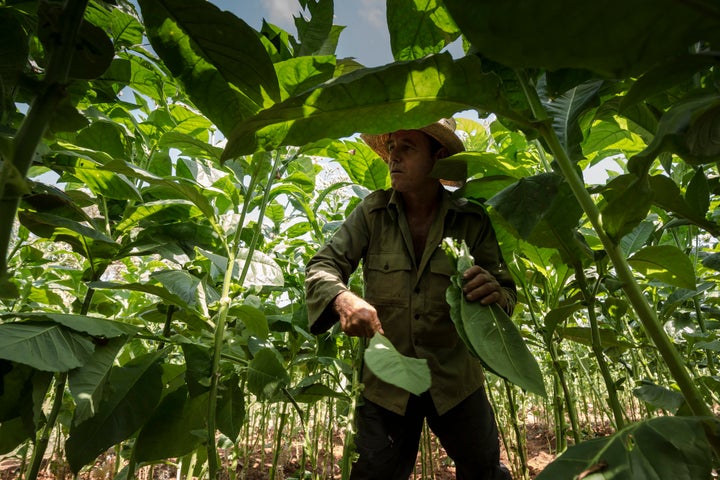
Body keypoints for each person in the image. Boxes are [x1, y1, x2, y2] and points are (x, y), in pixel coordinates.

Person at [304, 118, 515, 479]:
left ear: (439, 156)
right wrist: (342, 299)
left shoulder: (472, 219)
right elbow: (323, 266)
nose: (393, 157)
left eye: (407, 147)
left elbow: (506, 292)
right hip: (389, 381)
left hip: (454, 378)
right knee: (374, 472)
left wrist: (495, 293)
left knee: (484, 471)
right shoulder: (371, 213)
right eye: (391, 147)